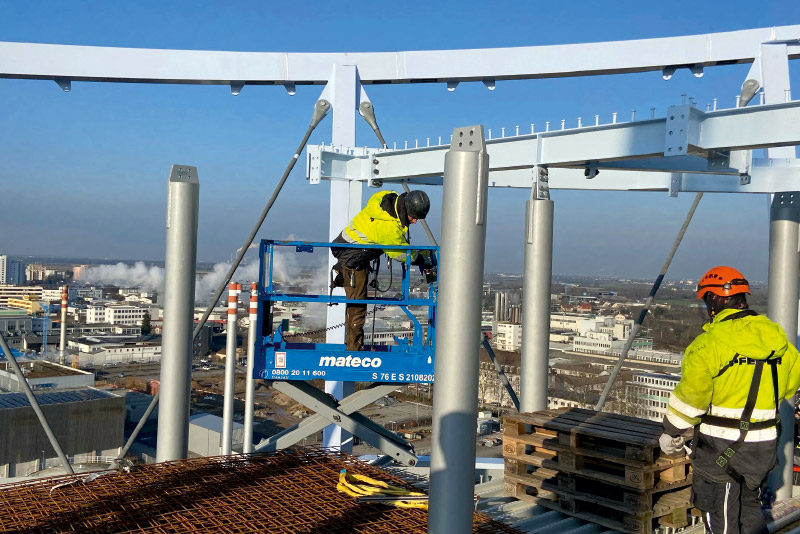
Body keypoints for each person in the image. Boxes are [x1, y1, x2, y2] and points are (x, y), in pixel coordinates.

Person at [660, 266, 800, 534]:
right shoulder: (779, 341)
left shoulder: (708, 344)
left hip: (720, 452)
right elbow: (790, 385)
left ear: (716, 299)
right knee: (750, 511)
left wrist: (671, 432)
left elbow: (692, 398)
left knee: (720, 516)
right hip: (762, 450)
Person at [331, 189, 432, 351]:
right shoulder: (388, 226)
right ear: (407, 209)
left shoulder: (387, 197)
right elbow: (399, 252)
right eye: (414, 217)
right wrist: (420, 258)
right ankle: (354, 350)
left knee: (357, 304)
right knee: (357, 306)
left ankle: (354, 345)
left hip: (348, 247)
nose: (414, 222)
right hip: (352, 259)